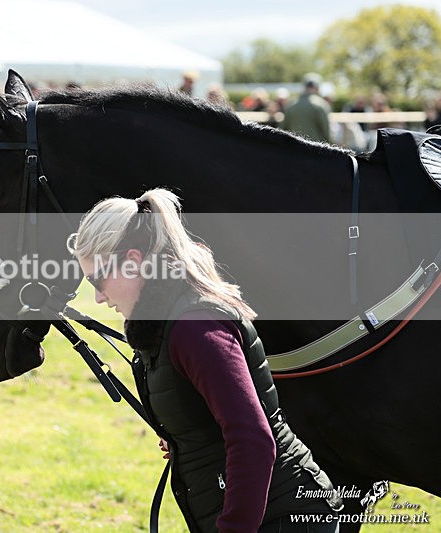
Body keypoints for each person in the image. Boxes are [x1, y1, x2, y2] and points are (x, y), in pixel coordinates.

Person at [68, 188, 343, 532]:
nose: (97, 296)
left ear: (134, 261)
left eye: (97, 278)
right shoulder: (168, 322)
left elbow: (253, 441)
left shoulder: (194, 328)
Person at [281, 73, 331, 143]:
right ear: (317, 87)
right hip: (315, 149)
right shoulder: (321, 105)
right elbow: (326, 130)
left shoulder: (290, 105)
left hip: (293, 148)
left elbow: (282, 129)